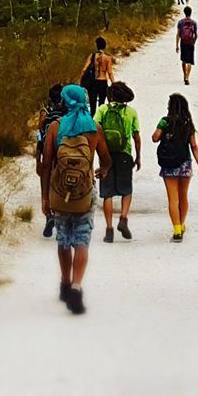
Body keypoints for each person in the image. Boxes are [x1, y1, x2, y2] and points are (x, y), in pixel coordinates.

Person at [41, 85, 112, 315]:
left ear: (64, 102)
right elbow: (106, 159)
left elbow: (46, 164)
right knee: (82, 239)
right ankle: (76, 287)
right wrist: (101, 171)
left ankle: (64, 282)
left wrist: (44, 197)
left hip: (59, 192)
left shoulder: (55, 127)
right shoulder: (94, 128)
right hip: (84, 192)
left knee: (63, 238)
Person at [152, 94, 198, 243]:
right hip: (185, 163)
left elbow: (155, 138)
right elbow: (193, 145)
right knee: (183, 197)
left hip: (169, 164)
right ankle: (181, 225)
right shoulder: (188, 123)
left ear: (172, 106)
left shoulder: (164, 121)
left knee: (172, 199)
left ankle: (176, 230)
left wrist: (160, 132)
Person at [93, 82, 141, 243]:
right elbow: (136, 136)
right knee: (126, 189)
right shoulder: (131, 112)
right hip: (124, 153)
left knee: (107, 193)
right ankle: (123, 218)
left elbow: (95, 130)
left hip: (106, 155)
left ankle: (109, 229)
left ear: (110, 96)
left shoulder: (102, 110)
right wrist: (138, 156)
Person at [35, 84, 65, 238]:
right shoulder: (66, 116)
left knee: (47, 185)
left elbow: (39, 137)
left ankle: (49, 215)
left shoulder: (46, 115)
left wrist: (37, 159)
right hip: (63, 156)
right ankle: (61, 219)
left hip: (49, 155)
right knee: (62, 187)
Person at [78, 37, 115, 116]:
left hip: (93, 82)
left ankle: (92, 120)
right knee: (101, 104)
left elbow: (84, 69)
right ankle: (100, 121)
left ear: (97, 46)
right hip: (103, 82)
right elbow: (110, 73)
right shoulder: (107, 58)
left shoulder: (92, 56)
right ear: (104, 46)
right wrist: (114, 83)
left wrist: (81, 81)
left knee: (92, 104)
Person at [175, 6, 197, 85]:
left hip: (183, 42)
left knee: (183, 60)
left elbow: (178, 34)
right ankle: (187, 76)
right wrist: (193, 42)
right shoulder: (194, 22)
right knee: (190, 61)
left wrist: (177, 45)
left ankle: (184, 75)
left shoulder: (180, 22)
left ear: (184, 12)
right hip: (190, 42)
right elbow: (196, 35)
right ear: (191, 13)